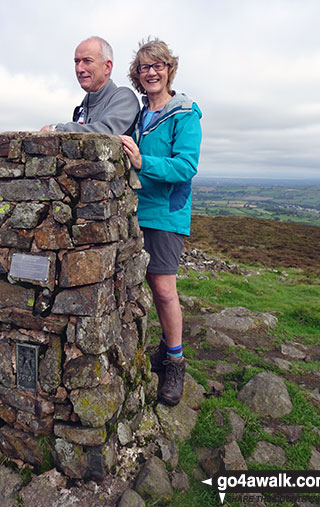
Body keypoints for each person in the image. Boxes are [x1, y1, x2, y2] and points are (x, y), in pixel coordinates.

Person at [120, 38, 202, 406]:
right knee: (142, 286)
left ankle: (175, 362)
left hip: (166, 212)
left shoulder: (184, 113)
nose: (151, 72)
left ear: (169, 69)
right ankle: (161, 347)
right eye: (144, 68)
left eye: (158, 66)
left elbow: (186, 166)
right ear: (137, 76)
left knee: (165, 289)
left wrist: (142, 162)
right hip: (133, 210)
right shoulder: (138, 115)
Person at [41, 36, 139, 135]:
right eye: (77, 62)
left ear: (107, 67)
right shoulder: (84, 105)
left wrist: (57, 130)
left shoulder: (124, 98)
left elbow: (106, 134)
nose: (79, 69)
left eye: (87, 61)